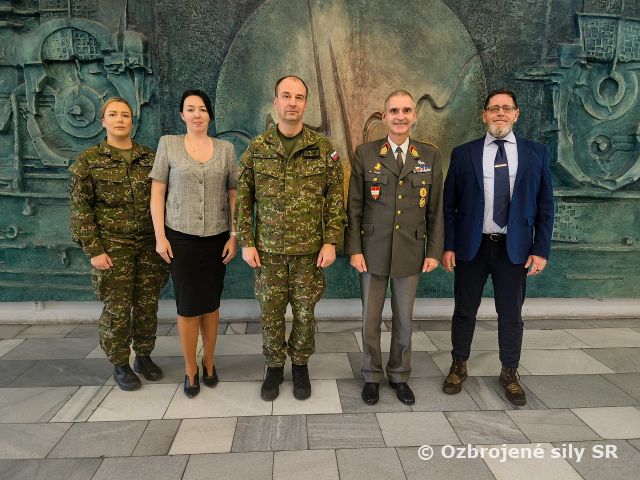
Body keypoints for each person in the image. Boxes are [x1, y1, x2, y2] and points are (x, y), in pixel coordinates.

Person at [235, 75, 345, 401]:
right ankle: (273, 366)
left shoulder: (322, 149)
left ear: (305, 104)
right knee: (270, 313)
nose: (292, 103)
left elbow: (335, 198)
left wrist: (331, 241)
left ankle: (300, 365)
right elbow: (243, 198)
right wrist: (246, 241)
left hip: (308, 252)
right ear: (276, 102)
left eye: (298, 97)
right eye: (286, 96)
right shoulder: (258, 148)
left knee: (305, 313)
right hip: (267, 251)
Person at [441, 89, 554, 406]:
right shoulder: (464, 154)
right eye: (494, 108)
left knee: (511, 314)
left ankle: (509, 371)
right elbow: (449, 205)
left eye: (506, 108)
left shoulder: (536, 153)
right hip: (472, 247)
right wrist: (448, 246)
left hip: (514, 249)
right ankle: (458, 364)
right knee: (464, 310)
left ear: (516, 114)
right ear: (484, 115)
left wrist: (541, 249)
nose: (500, 113)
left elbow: (546, 206)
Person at [345, 90, 444, 406]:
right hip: (372, 250)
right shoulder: (366, 153)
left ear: (414, 115)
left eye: (406, 110)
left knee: (404, 318)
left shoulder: (428, 156)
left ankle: (399, 375)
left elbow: (436, 209)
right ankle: (371, 376)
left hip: (410, 249)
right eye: (394, 111)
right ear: (384, 116)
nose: (400, 116)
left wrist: (433, 251)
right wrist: (354, 249)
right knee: (370, 320)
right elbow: (355, 207)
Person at [69, 97, 169, 391]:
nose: (120, 119)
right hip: (113, 247)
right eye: (113, 115)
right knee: (118, 308)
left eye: (125, 115)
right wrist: (94, 250)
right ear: (103, 122)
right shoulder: (89, 161)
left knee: (147, 305)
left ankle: (144, 356)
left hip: (149, 246)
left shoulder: (149, 158)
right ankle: (120, 363)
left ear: (132, 121)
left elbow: (165, 199)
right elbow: (80, 209)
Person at [149, 89, 238, 398]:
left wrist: (235, 235)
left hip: (217, 238)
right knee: (187, 307)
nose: (197, 114)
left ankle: (209, 360)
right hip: (180, 238)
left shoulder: (226, 149)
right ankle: (190, 368)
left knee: (211, 304)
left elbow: (234, 193)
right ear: (182, 115)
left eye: (202, 109)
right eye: (190, 109)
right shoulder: (168, 144)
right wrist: (160, 236)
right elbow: (158, 192)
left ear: (210, 114)